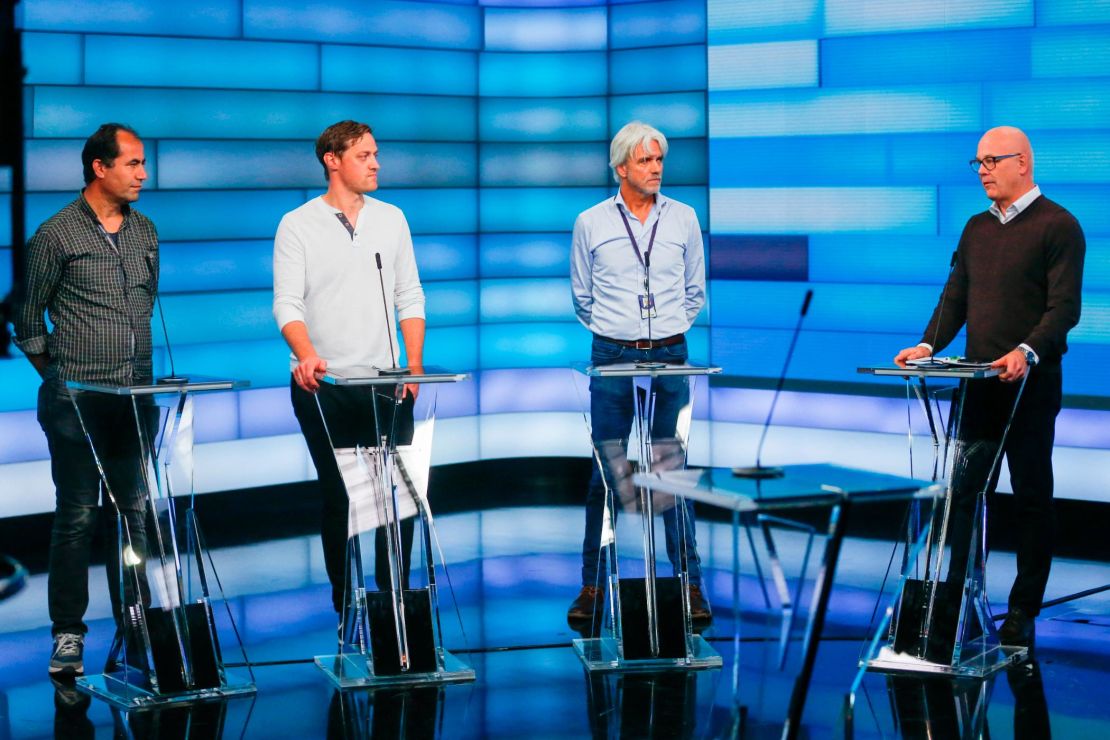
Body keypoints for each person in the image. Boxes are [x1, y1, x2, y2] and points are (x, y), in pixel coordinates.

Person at [895, 126, 1085, 647]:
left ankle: (1023, 610)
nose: (982, 170)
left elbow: (1065, 308)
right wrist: (928, 345)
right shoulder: (977, 229)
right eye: (977, 162)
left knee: (1030, 497)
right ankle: (953, 599)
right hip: (978, 385)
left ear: (1022, 162)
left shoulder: (1059, 226)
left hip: (1030, 385)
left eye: (991, 160)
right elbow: (955, 296)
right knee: (962, 494)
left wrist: (1026, 351)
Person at [15, 123, 157, 676]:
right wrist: (63, 377)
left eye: (143, 163)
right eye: (133, 164)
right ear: (100, 167)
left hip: (133, 400)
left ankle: (138, 622)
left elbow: (146, 307)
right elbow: (28, 322)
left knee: (135, 517)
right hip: (76, 402)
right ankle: (69, 634)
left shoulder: (145, 231)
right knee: (76, 518)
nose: (143, 174)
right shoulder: (55, 235)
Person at [273, 120, 426, 621]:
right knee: (340, 498)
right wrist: (306, 352)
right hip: (325, 387)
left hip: (385, 384)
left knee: (395, 501)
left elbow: (410, 294)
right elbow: (287, 303)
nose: (376, 163)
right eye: (364, 155)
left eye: (376, 153)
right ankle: (348, 609)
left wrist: (414, 365)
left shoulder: (393, 219)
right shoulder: (297, 224)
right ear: (332, 160)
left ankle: (394, 606)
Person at [568, 121, 710, 627]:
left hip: (671, 353)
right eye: (645, 161)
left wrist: (666, 329)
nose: (655, 170)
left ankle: (689, 583)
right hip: (611, 354)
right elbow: (582, 297)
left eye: (659, 161)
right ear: (621, 167)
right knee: (606, 472)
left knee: (670, 469)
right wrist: (620, 332)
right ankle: (593, 582)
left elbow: (695, 291)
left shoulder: (685, 218)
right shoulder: (590, 222)